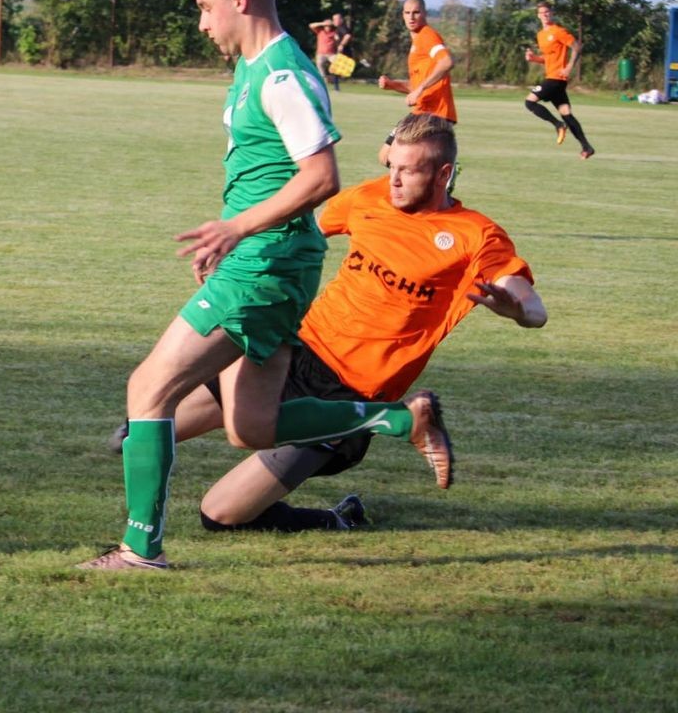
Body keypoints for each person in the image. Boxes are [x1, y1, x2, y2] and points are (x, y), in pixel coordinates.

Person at [112, 114, 547, 535]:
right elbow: (302, 235)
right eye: (391, 166)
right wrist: (241, 248)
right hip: (295, 353)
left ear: (442, 173)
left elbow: (530, 304)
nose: (393, 180)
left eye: (407, 171)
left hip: (350, 394)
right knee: (136, 428)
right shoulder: (369, 198)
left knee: (220, 515)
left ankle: (341, 516)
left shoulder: (475, 235)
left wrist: (517, 309)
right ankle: (141, 531)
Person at [78, 0, 344, 571]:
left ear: (239, 1)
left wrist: (236, 230)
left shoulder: (283, 75)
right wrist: (226, 239)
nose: (201, 24)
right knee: (250, 426)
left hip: (267, 262)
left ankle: (140, 549)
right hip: (258, 259)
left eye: (204, 8)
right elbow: (264, 173)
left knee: (148, 387)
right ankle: (394, 417)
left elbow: (322, 177)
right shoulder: (252, 70)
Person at [377, 0, 456, 166]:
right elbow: (415, 87)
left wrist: (420, 89)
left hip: (434, 112)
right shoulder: (417, 41)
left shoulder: (427, 35)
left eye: (416, 12)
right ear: (402, 15)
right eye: (407, 13)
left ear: (425, 14)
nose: (411, 17)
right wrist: (392, 85)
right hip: (423, 109)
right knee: (388, 156)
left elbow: (447, 61)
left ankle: (445, 175)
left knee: (394, 156)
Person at [524, 1, 595, 159]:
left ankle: (558, 125)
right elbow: (548, 59)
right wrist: (534, 58)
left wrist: (570, 66)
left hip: (556, 79)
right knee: (566, 113)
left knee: (529, 102)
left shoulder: (558, 31)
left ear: (552, 13)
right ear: (538, 15)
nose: (545, 15)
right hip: (553, 77)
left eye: (547, 12)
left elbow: (577, 47)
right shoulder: (541, 35)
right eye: (542, 12)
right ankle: (587, 147)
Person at [310, 17, 339, 91]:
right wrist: (323, 23)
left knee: (337, 64)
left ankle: (333, 80)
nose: (328, 27)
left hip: (331, 54)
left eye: (329, 26)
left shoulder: (334, 32)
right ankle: (324, 79)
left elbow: (337, 38)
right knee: (319, 64)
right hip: (321, 54)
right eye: (326, 26)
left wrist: (337, 38)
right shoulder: (320, 31)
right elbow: (311, 25)